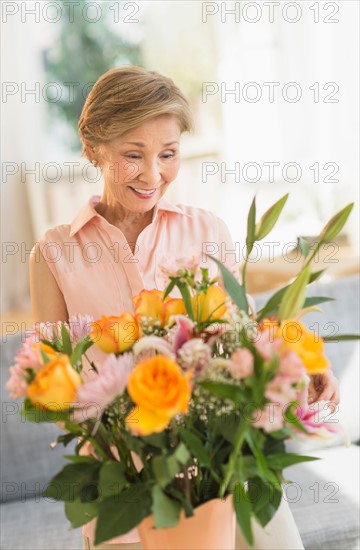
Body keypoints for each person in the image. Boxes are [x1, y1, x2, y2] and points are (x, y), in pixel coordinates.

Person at [30, 66, 340, 550]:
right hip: (123, 485)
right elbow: (48, 381)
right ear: (93, 149)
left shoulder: (209, 230)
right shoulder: (54, 252)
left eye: (168, 154)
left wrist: (305, 365)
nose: (153, 175)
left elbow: (247, 336)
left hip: (224, 469)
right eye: (133, 155)